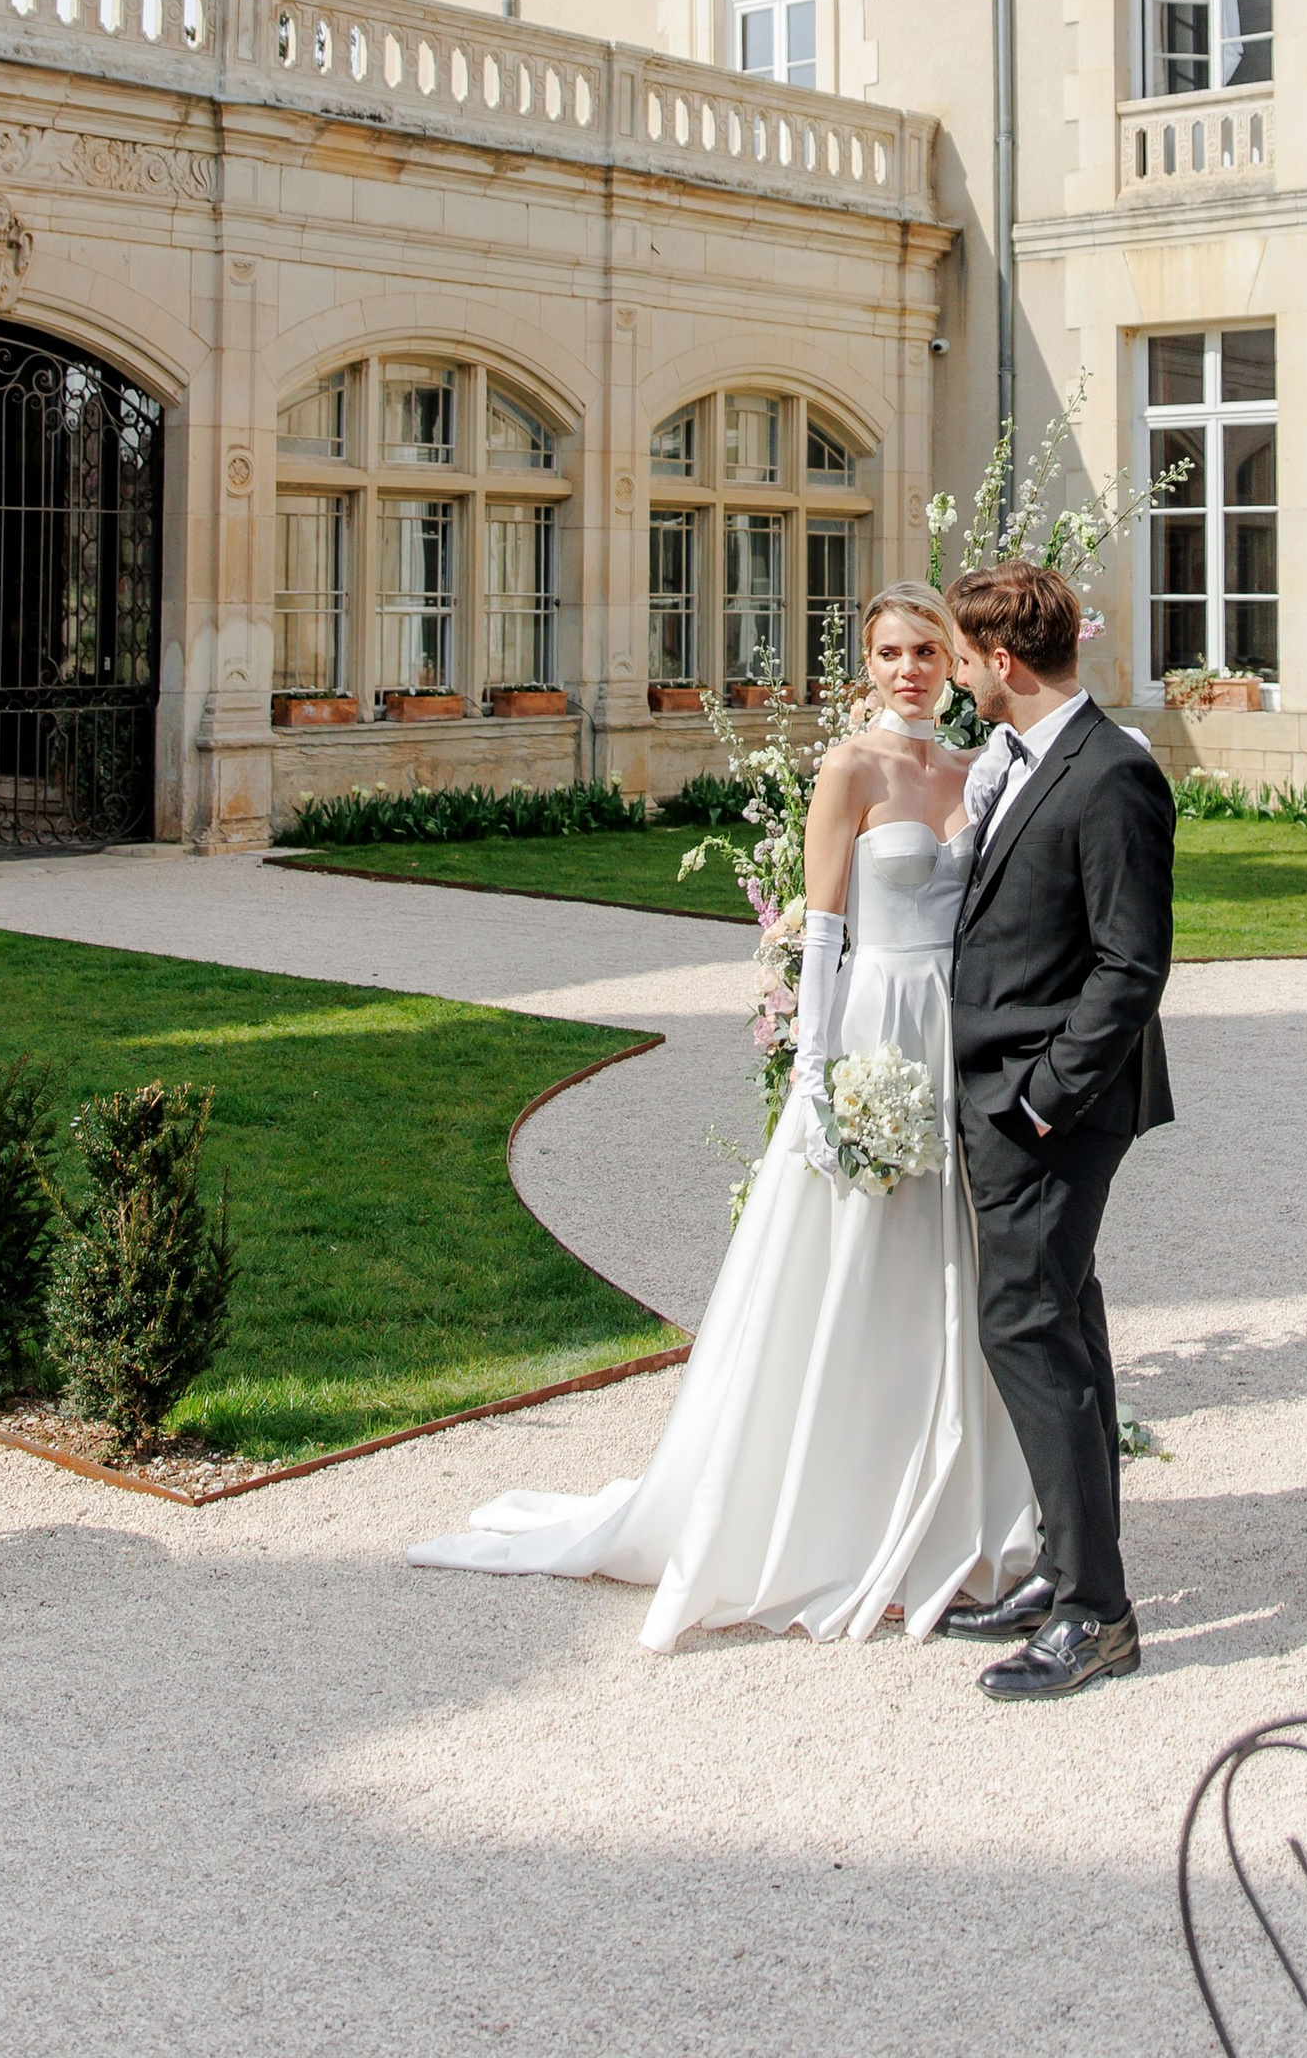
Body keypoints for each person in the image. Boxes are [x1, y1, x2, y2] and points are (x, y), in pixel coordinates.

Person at [406, 580, 1038, 1647]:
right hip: (874, 1033)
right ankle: (834, 1519)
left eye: (926, 651)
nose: (909, 671)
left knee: (955, 1271)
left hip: (955, 1033)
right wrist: (821, 1079)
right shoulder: (849, 769)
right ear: (866, 670)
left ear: (957, 660)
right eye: (888, 654)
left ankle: (951, 1510)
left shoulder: (980, 772)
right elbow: (825, 935)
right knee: (853, 1272)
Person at [938, 555, 1174, 1703]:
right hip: (1007, 1092)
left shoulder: (1112, 775)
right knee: (1060, 1332)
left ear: (1001, 660)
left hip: (1053, 1108)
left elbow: (1133, 965)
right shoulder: (1021, 760)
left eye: (963, 657)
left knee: (1024, 1330)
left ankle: (1096, 1615)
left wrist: (1040, 1096)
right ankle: (1069, 1568)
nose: (956, 675)